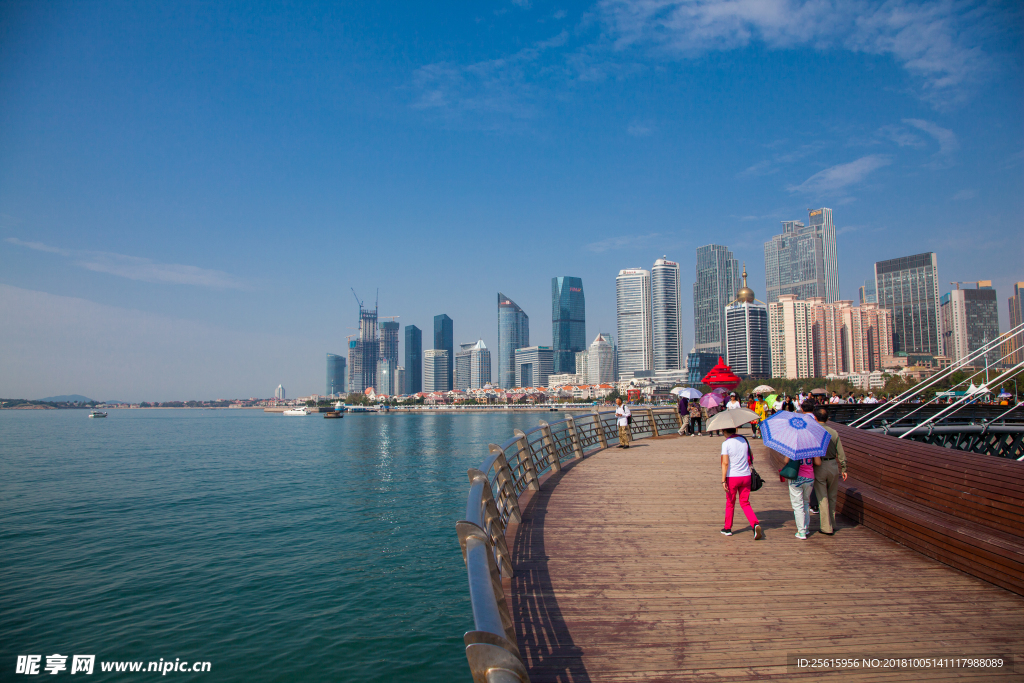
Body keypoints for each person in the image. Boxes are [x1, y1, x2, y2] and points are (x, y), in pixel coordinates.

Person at [720, 427, 764, 539]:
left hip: (733, 477)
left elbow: (725, 463)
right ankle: (755, 524)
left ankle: (728, 528)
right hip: (746, 476)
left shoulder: (726, 443)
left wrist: (723, 480)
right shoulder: (744, 440)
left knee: (730, 502)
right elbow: (751, 456)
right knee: (745, 502)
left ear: (724, 431)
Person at [811, 406, 848, 535]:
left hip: (819, 465)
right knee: (832, 496)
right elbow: (841, 453)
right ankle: (833, 523)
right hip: (833, 464)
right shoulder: (834, 432)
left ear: (815, 418)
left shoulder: (813, 431)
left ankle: (826, 527)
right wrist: (844, 468)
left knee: (822, 497)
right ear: (827, 419)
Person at [780, 451, 815, 539]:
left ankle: (801, 531)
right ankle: (806, 528)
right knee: (806, 502)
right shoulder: (812, 448)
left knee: (798, 505)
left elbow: (786, 461)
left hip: (796, 477)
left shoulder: (794, 447)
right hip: (809, 477)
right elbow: (818, 462)